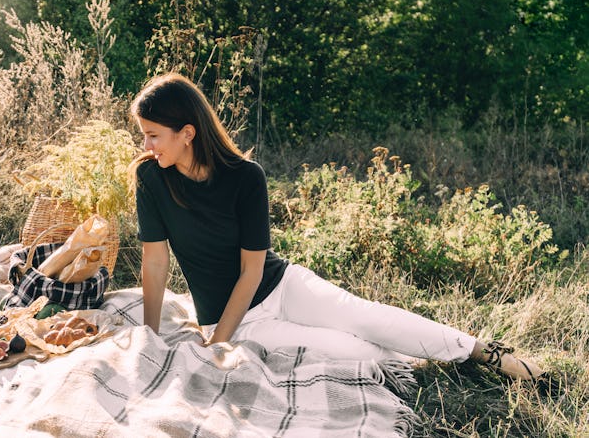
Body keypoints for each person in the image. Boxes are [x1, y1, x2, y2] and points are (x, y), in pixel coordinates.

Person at [129, 72, 544, 381]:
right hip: (238, 318)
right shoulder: (150, 178)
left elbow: (253, 269)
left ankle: (483, 352)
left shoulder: (245, 176)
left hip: (281, 284)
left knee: (365, 317)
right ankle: (424, 358)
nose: (145, 146)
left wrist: (216, 343)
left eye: (152, 136)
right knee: (358, 351)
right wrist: (156, 336)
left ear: (187, 133)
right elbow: (155, 263)